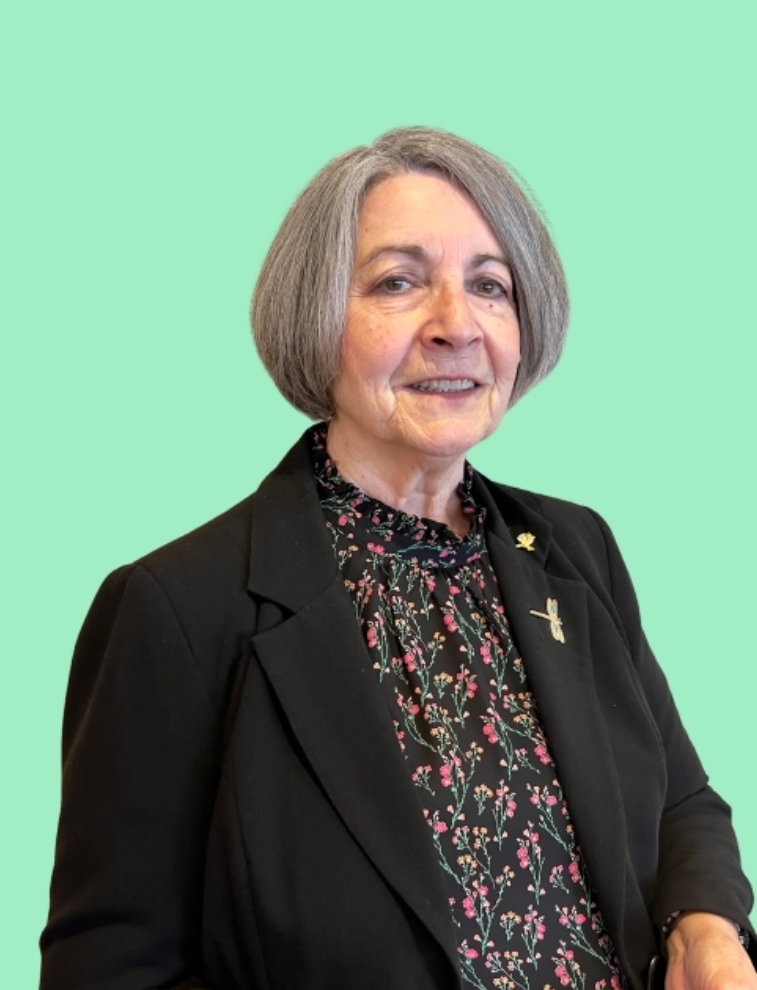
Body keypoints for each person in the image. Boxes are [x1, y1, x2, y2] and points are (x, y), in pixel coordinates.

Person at [40, 127, 756, 990]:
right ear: (314, 316)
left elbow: (683, 801)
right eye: (397, 282)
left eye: (489, 285)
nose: (455, 326)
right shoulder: (177, 608)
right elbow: (108, 969)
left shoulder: (577, 551)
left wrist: (704, 927)